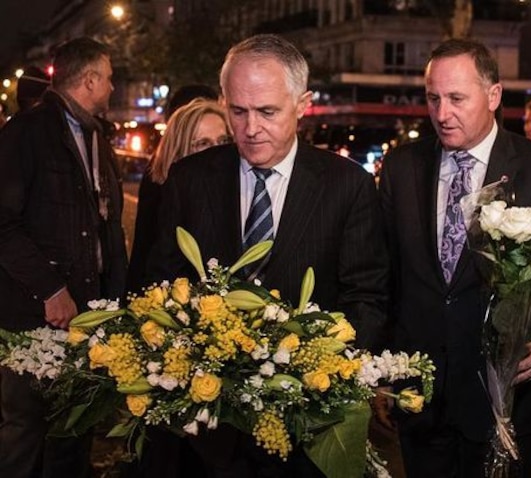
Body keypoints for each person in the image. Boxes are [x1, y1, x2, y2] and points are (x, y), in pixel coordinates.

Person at [145, 34, 388, 477]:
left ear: (303, 104)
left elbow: (365, 295)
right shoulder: (189, 179)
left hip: (305, 427)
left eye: (267, 111)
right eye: (238, 111)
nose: (251, 127)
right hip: (206, 432)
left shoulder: (347, 185)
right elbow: (163, 285)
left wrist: (321, 376)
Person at [378, 38, 531, 478]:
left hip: (506, 402)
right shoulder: (401, 167)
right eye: (433, 98)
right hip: (421, 400)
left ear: (493, 95)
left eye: (456, 98)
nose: (442, 113)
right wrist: (381, 370)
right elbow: (386, 277)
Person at [0, 37, 127, 478]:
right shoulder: (27, 132)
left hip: (87, 316)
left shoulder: (96, 135)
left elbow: (106, 225)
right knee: (27, 432)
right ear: (89, 80)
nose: (112, 87)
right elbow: (3, 223)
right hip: (35, 317)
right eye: (108, 78)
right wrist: (51, 289)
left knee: (75, 432)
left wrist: (114, 305)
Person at [127, 98, 231, 293]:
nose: (217, 150)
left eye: (224, 141)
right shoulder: (163, 196)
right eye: (203, 143)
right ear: (179, 148)